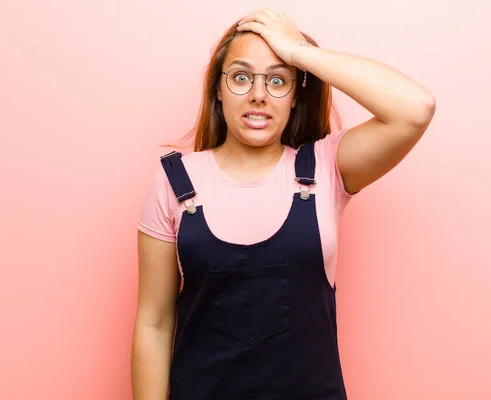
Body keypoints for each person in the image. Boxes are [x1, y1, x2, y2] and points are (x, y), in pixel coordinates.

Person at [131, 8, 435, 400]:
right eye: (241, 77)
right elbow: (153, 323)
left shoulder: (325, 167)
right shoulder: (175, 183)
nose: (258, 94)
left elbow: (415, 108)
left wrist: (298, 52)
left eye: (278, 81)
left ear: (295, 97)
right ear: (217, 90)